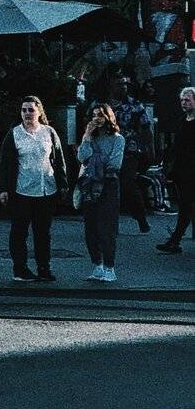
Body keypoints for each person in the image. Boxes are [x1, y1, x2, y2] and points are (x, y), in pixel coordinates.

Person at [0, 95, 69, 283]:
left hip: (46, 189)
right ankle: (20, 268)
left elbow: (59, 160)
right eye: (24, 110)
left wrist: (63, 184)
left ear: (39, 111)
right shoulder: (14, 134)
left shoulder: (49, 132)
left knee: (43, 232)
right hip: (22, 190)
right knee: (19, 231)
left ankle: (44, 267)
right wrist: (3, 188)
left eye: (31, 109)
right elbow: (4, 163)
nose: (27, 113)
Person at [77, 102, 124, 283]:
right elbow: (82, 157)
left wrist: (94, 160)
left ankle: (109, 267)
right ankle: (97, 264)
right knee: (90, 228)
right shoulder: (90, 137)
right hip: (90, 185)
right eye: (94, 115)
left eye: (100, 115)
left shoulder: (117, 139)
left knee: (106, 228)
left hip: (108, 185)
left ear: (108, 117)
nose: (97, 119)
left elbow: (114, 164)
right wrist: (87, 136)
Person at [156, 86, 195, 253]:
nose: (184, 103)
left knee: (186, 205)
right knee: (186, 204)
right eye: (182, 100)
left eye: (187, 100)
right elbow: (177, 146)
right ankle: (175, 240)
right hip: (184, 168)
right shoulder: (182, 120)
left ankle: (175, 240)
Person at [111, 77, 152, 232]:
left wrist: (148, 147)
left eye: (125, 84)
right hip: (106, 150)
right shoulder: (101, 104)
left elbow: (146, 127)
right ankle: (109, 223)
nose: (123, 87)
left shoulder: (134, 105)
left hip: (129, 149)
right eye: (119, 84)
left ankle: (140, 216)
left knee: (128, 182)